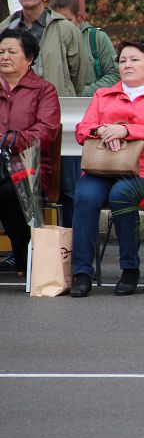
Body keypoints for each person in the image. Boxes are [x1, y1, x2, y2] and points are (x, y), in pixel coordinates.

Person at [70, 41, 144, 297]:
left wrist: (127, 131)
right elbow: (81, 131)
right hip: (101, 167)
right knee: (85, 196)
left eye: (134, 60)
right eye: (122, 61)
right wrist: (102, 130)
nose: (127, 65)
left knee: (121, 194)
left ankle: (130, 268)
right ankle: (82, 272)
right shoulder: (103, 95)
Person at [50, 0, 120, 232]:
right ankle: (62, 236)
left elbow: (113, 75)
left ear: (79, 18)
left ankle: (80, 235)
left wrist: (81, 93)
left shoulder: (95, 39)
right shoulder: (49, 38)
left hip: (92, 117)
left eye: (68, 20)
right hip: (58, 116)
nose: (63, 26)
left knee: (78, 183)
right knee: (61, 183)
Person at [0, 28, 60, 275]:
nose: (4, 56)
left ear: (30, 57)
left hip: (30, 168)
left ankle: (24, 252)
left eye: (11, 52)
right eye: (1, 52)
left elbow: (45, 132)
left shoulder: (44, 90)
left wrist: (8, 140)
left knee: (8, 193)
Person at [0, 0, 87, 96]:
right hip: (15, 104)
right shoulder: (5, 29)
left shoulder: (66, 29)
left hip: (56, 104)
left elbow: (79, 77)